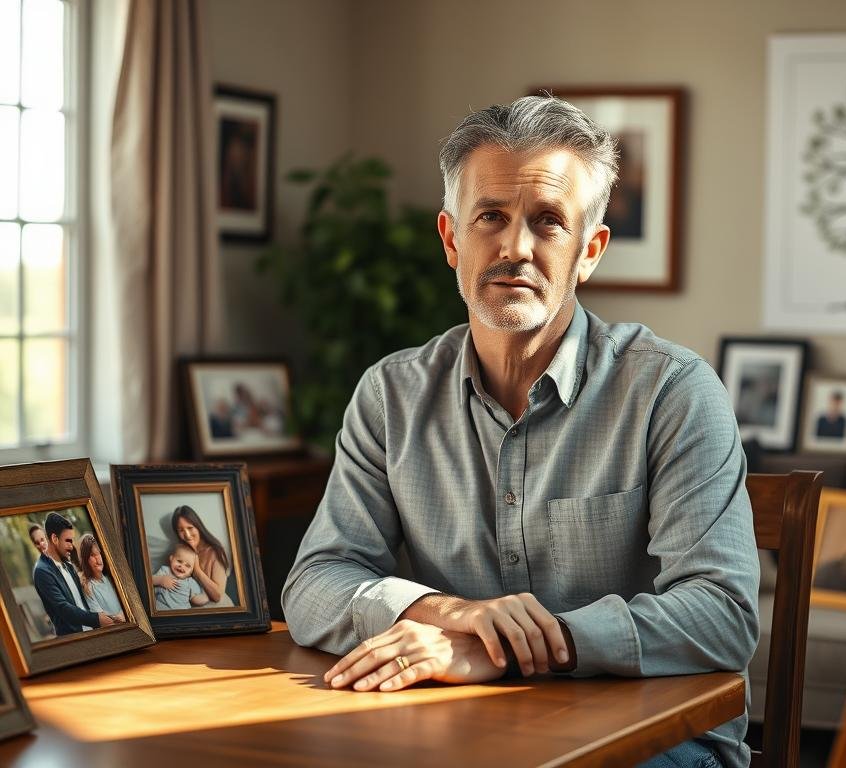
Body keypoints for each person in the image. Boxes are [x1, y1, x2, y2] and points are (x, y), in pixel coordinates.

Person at [283, 95, 758, 768]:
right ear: (452, 239)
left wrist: (499, 648)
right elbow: (315, 582)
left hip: (658, 743)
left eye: (547, 222)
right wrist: (450, 615)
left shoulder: (673, 393)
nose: (515, 247)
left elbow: (722, 615)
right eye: (492, 218)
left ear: (588, 251)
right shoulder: (389, 395)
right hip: (464, 733)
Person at [32, 512, 118, 636]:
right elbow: (63, 609)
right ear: (55, 539)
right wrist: (96, 619)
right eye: (67, 541)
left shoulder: (68, 565)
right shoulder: (42, 571)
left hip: (92, 633)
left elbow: (82, 599)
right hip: (74, 640)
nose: (71, 546)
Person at [167, 505, 232, 607]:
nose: (187, 535)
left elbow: (217, 596)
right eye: (181, 530)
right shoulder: (181, 552)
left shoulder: (215, 551)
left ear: (198, 527)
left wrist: (196, 570)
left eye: (190, 528)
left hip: (219, 608)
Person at [79, 533, 126, 622]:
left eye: (99, 553)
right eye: (92, 555)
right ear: (85, 560)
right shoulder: (88, 587)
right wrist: (119, 617)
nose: (98, 559)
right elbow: (101, 620)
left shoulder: (112, 579)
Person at [152, 545, 209, 611]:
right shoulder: (165, 570)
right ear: (171, 558)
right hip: (161, 606)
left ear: (192, 571)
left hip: (181, 610)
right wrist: (161, 580)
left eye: (187, 566)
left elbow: (195, 599)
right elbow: (150, 581)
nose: (181, 566)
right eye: (179, 561)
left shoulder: (190, 582)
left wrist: (206, 598)